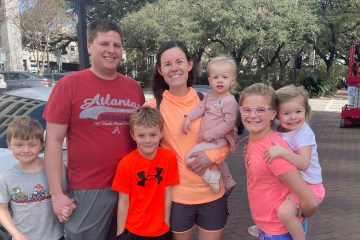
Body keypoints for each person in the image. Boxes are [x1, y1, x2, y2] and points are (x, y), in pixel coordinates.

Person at [42, 18, 145, 240]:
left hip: (132, 187)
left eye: (116, 46)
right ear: (89, 47)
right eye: (104, 44)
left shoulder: (134, 88)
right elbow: (53, 141)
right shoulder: (68, 85)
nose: (111, 50)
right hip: (88, 188)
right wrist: (57, 194)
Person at [144, 40, 230, 240]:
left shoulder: (209, 101)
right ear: (160, 70)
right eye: (167, 64)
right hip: (176, 197)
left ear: (189, 65)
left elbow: (227, 140)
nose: (174, 68)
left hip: (212, 193)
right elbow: (143, 150)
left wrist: (211, 156)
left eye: (179, 62)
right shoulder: (153, 107)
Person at [239, 83, 319, 239]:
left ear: (273, 114)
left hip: (279, 232)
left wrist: (298, 213)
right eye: (247, 109)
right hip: (266, 227)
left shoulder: (274, 152)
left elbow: (311, 201)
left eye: (261, 110)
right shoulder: (252, 142)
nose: (253, 115)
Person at [112, 106, 179, 240]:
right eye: (141, 135)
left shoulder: (169, 158)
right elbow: (123, 202)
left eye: (153, 135)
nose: (147, 140)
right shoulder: (126, 164)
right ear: (133, 136)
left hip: (160, 230)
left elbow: (168, 193)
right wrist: (120, 233)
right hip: (133, 229)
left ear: (161, 133)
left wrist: (166, 223)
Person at [0, 116, 69, 240]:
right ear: (9, 144)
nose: (25, 150)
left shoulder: (57, 170)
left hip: (57, 236)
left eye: (32, 145)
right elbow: (2, 208)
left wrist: (66, 209)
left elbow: (66, 195)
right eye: (19, 145)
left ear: (42, 144)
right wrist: (15, 233)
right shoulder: (6, 178)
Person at [182, 55, 239, 195]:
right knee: (217, 160)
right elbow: (200, 108)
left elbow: (229, 124)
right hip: (210, 139)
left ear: (232, 81)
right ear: (209, 80)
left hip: (218, 139)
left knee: (190, 158)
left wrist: (208, 135)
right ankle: (228, 180)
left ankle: (211, 177)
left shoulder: (230, 101)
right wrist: (189, 117)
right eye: (215, 77)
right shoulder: (209, 97)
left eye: (225, 77)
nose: (220, 80)